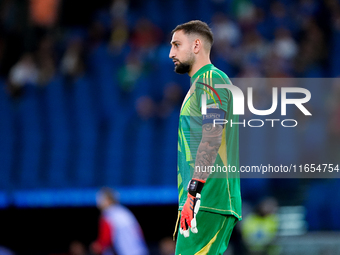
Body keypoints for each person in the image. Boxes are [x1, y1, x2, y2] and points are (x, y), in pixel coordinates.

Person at [169, 20, 242, 254]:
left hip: (208, 198)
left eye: (177, 45)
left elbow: (212, 136)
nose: (171, 53)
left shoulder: (211, 79)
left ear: (197, 45)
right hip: (202, 199)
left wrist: (193, 193)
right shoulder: (199, 84)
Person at [91, 187, 149, 255]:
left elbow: (106, 239)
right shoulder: (124, 211)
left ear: (108, 200)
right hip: (140, 250)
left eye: (100, 200)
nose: (98, 203)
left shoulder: (108, 214)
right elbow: (139, 232)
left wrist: (98, 246)